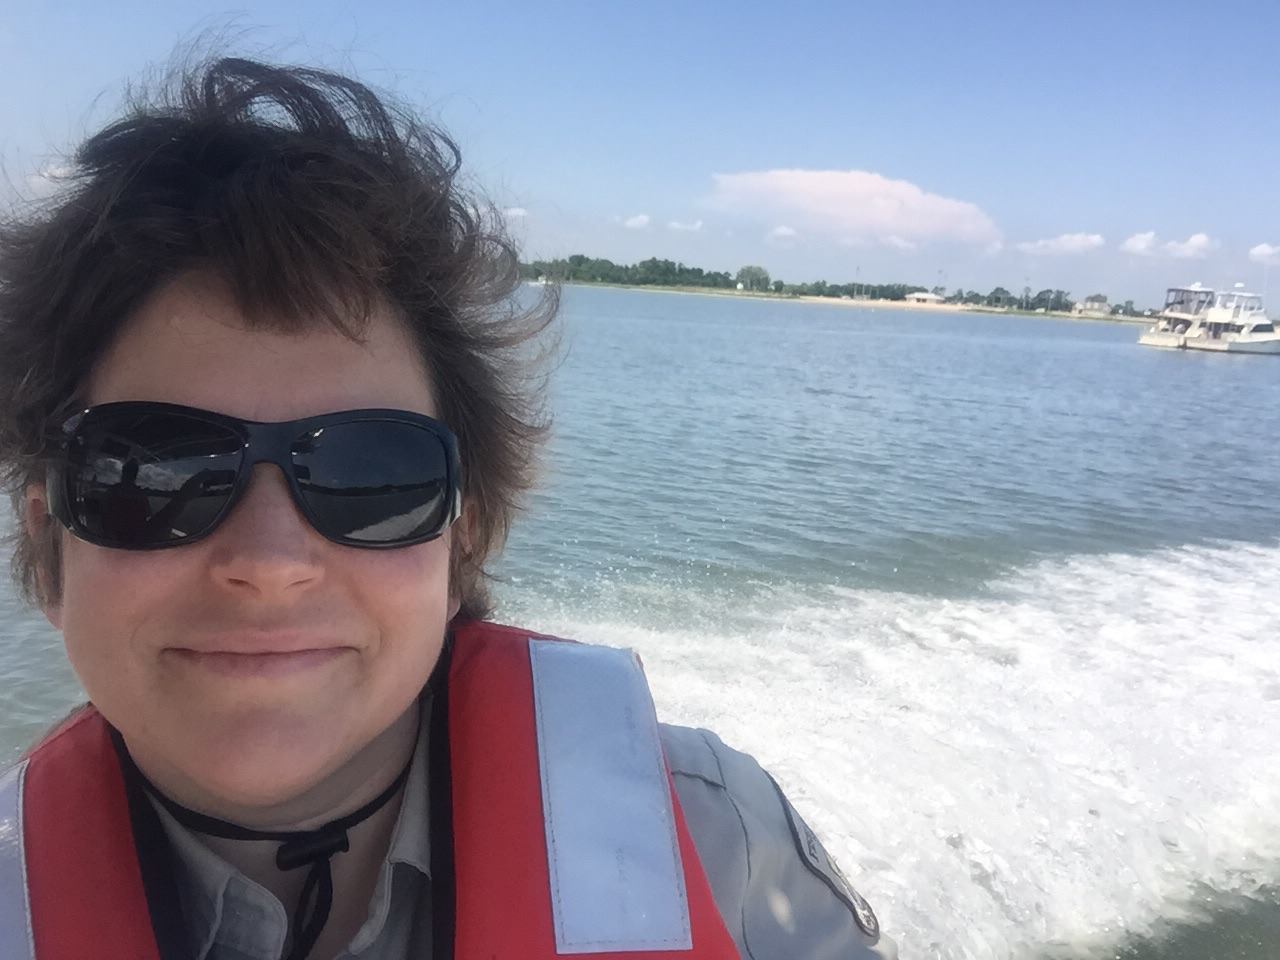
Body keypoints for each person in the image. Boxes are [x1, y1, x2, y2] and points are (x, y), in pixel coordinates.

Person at [0, 57, 896, 960]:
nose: (269, 563)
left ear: (462, 539)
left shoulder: (718, 839)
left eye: (371, 474)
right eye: (153, 472)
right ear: (49, 542)